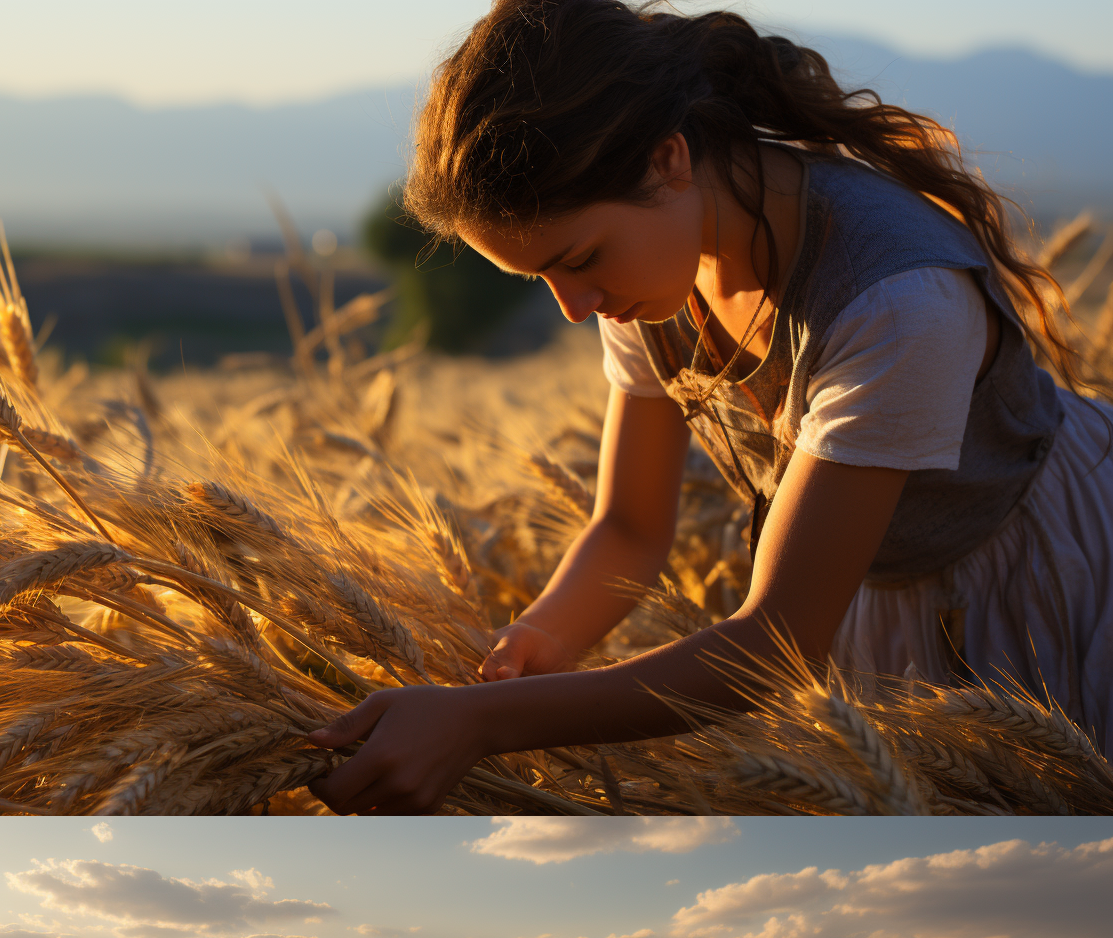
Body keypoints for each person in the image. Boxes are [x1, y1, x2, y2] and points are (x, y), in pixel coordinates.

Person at [308, 0, 1111, 814]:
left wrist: (479, 724)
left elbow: (779, 641)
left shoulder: (899, 300)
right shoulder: (653, 268)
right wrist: (539, 641)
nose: (573, 308)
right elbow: (628, 527)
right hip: (869, 593)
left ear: (668, 159)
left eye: (579, 260)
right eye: (540, 279)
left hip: (1035, 580)